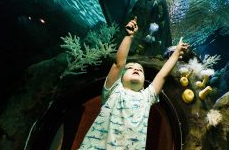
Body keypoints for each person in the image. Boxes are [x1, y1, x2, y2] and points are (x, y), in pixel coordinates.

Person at [79, 17, 189, 149]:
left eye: (140, 70)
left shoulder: (147, 97)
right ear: (121, 77)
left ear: (143, 84)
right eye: (130, 68)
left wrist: (176, 54)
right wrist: (129, 36)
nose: (136, 69)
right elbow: (119, 63)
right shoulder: (114, 90)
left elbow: (162, 74)